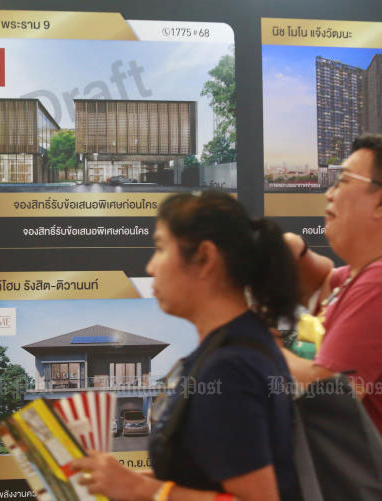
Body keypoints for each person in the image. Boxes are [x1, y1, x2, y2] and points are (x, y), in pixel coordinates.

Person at [70, 191, 300, 500]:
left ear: (205, 258)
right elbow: (205, 478)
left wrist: (140, 489)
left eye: (160, 248)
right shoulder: (237, 347)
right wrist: (119, 480)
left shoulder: (228, 368)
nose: (151, 267)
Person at [283, 134, 382, 435]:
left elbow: (328, 399)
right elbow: (322, 281)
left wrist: (256, 337)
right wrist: (292, 250)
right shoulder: (356, 278)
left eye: (343, 182)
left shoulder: (376, 285)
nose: (330, 194)